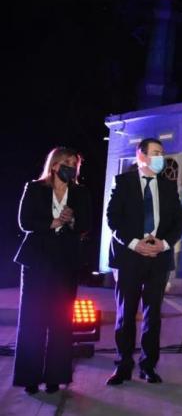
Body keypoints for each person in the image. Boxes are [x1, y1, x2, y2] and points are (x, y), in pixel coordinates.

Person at [106, 138, 182, 385]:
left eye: (161, 153)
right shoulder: (123, 182)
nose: (160, 156)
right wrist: (134, 243)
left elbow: (179, 222)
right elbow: (113, 219)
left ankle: (148, 366)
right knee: (126, 314)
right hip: (129, 256)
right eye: (155, 152)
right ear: (141, 155)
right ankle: (123, 366)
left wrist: (163, 245)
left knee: (153, 316)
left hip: (158, 259)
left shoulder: (168, 186)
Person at [13, 147, 92, 395]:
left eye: (74, 163)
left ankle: (55, 376)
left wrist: (71, 221)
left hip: (66, 262)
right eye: (66, 162)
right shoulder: (35, 188)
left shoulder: (80, 192)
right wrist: (51, 222)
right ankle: (30, 377)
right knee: (32, 319)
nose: (71, 166)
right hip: (36, 262)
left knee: (61, 321)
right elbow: (24, 221)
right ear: (55, 164)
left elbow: (87, 225)